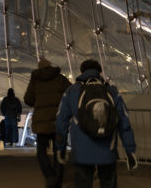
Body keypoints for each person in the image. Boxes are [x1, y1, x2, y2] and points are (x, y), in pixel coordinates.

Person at [55, 59, 138, 188]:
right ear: (100, 72)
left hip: (82, 150)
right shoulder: (111, 91)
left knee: (82, 183)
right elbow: (124, 122)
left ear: (81, 72)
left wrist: (60, 147)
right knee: (108, 183)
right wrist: (130, 151)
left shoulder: (71, 92)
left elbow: (61, 120)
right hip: (107, 149)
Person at [23, 57, 71, 188]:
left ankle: (49, 175)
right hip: (58, 121)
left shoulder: (35, 79)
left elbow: (28, 99)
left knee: (41, 152)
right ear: (50, 66)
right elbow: (71, 93)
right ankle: (57, 182)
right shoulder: (60, 78)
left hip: (42, 122)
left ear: (39, 68)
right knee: (58, 152)